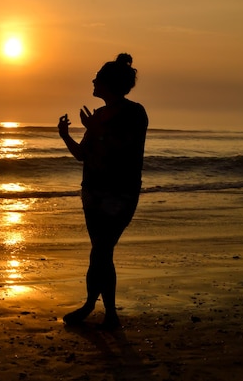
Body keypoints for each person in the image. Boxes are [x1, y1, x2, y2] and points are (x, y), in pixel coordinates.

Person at [57, 53, 148, 330]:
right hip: (93, 192)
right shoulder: (98, 115)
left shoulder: (134, 112)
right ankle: (98, 308)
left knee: (102, 250)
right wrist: (65, 136)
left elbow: (123, 149)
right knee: (99, 251)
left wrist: (97, 131)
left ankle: (103, 311)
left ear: (110, 83)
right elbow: (83, 155)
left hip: (120, 193)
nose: (93, 81)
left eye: (98, 77)